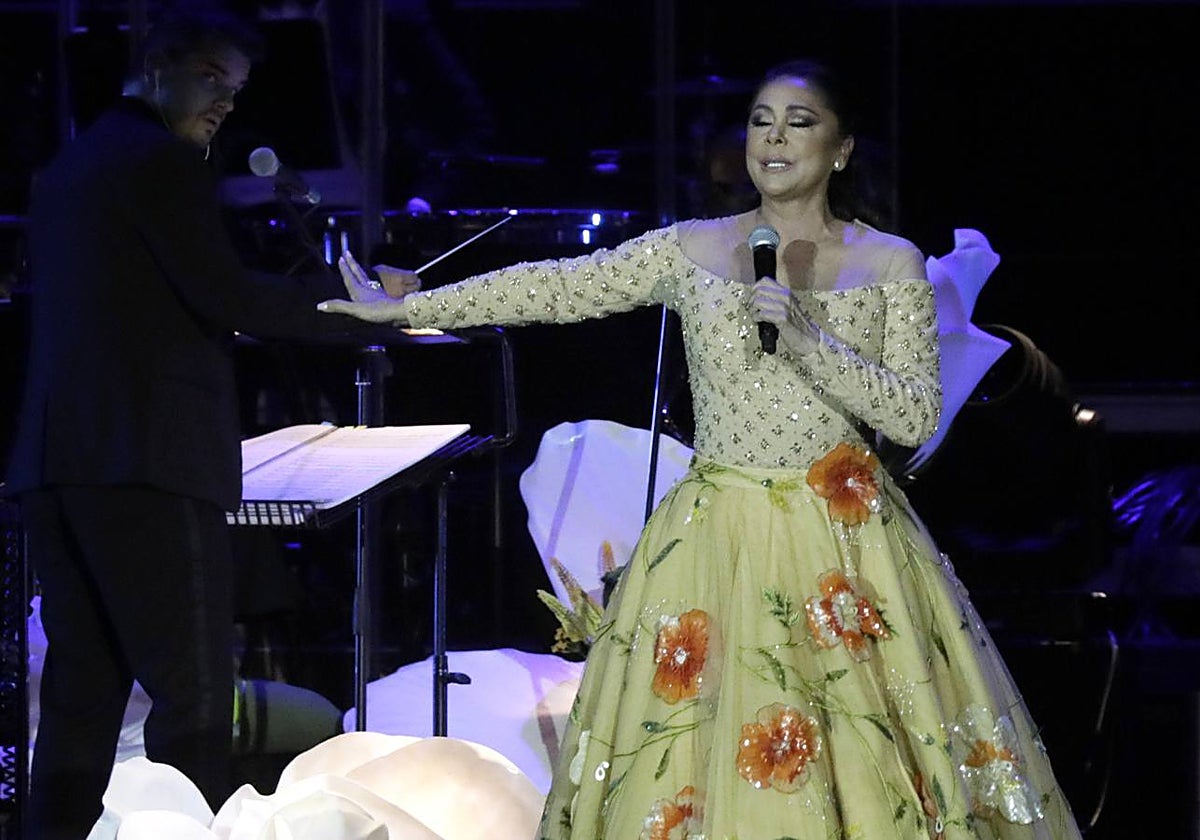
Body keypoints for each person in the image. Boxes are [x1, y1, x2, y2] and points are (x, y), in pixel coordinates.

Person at [321, 59, 1083, 839]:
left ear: (842, 148)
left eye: (800, 121)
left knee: (866, 754)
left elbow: (917, 417)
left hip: (845, 540)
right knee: (697, 748)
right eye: (761, 121)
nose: (774, 139)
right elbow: (559, 286)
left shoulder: (891, 263)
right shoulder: (692, 250)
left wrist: (807, 339)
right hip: (714, 533)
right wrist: (414, 302)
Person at [4, 7, 407, 838]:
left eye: (236, 89)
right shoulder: (161, 162)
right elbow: (226, 296)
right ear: (158, 68)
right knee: (192, 694)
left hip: (60, 464)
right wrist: (370, 313)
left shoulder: (71, 166)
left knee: (83, 695)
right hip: (149, 462)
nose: (225, 103)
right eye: (212, 81)